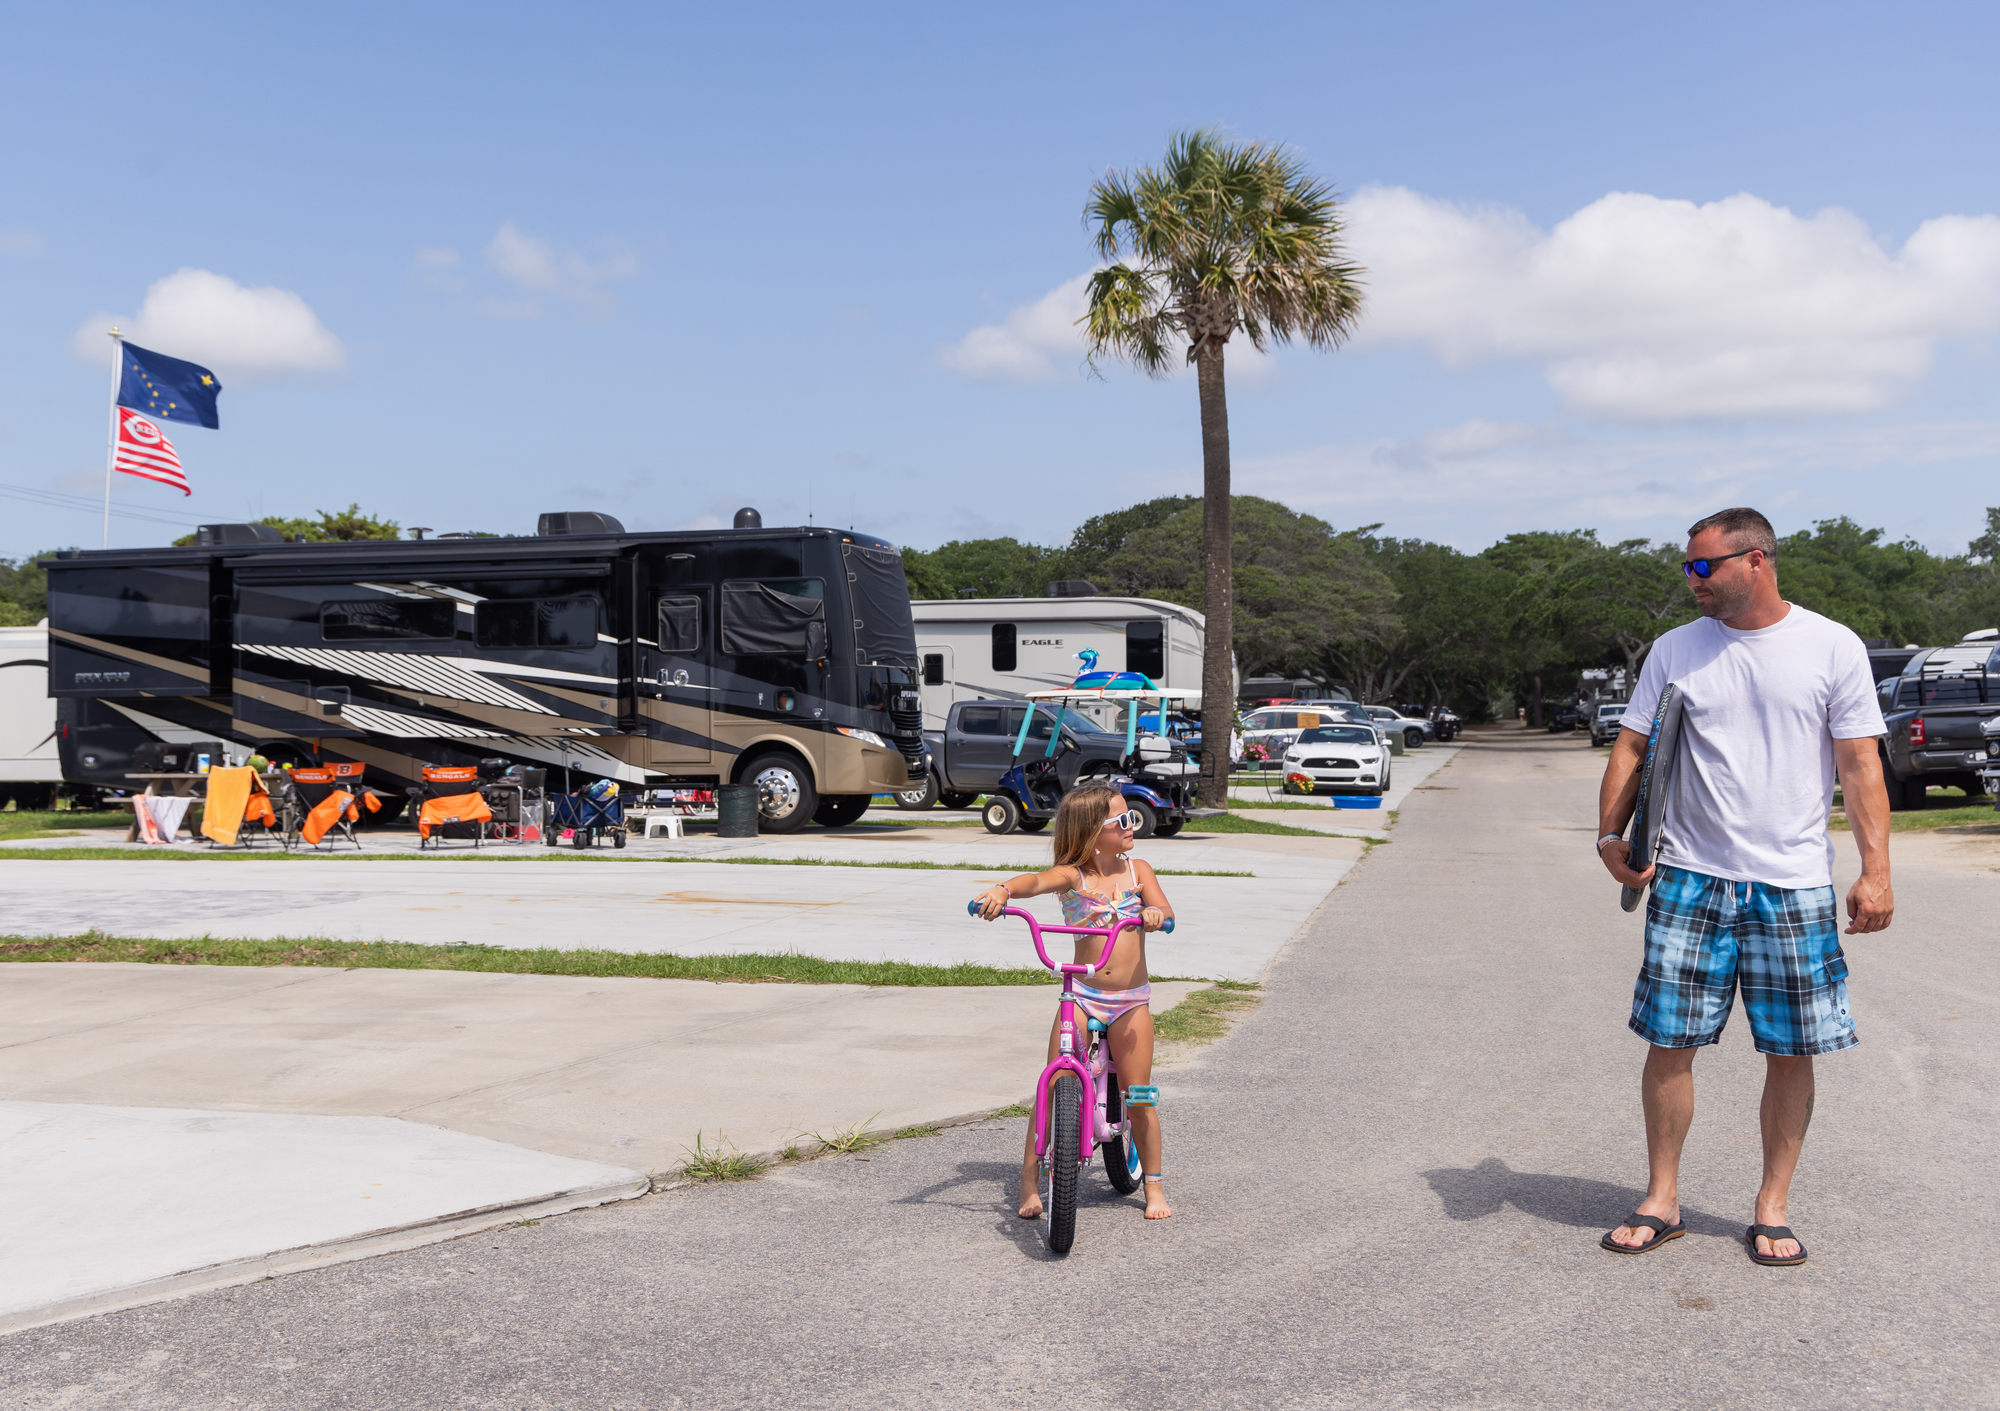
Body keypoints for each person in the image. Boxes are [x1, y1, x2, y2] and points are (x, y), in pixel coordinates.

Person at [1596, 507, 1893, 1267]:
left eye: (1704, 567)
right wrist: (1609, 834)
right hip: (1691, 877)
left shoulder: (1831, 645)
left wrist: (1876, 870)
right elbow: (1633, 744)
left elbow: (1860, 766)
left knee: (1792, 1049)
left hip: (1792, 884)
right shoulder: (1675, 649)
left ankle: (1772, 1205)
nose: (1691, 580)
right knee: (1671, 1041)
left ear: (1755, 561)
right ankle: (1662, 1198)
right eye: (1686, 568)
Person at [973, 783, 1176, 1221]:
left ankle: (1155, 1187)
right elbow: (1037, 881)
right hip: (1082, 995)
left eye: (1130, 818)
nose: (1130, 826)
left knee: (1139, 1096)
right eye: (1120, 821)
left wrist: (1157, 916)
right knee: (1050, 1085)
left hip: (1129, 1001)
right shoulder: (1074, 875)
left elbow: (1166, 910)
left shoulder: (1138, 871)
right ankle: (1030, 1180)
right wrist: (1004, 890)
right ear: (1090, 832)